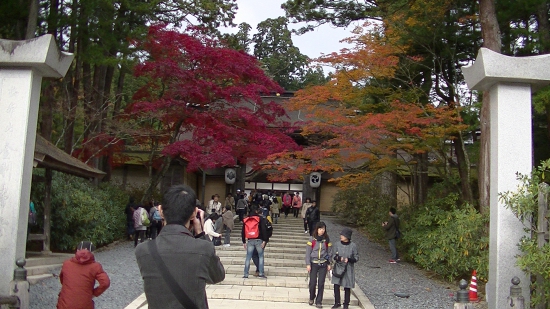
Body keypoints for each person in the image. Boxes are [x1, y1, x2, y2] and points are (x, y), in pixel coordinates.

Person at [135, 184, 225, 309]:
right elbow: (217, 276)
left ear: (160, 210)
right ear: (194, 213)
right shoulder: (203, 249)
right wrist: (200, 234)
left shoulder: (143, 250)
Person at [57, 241, 110, 309]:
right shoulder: (95, 266)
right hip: (85, 304)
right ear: (92, 253)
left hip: (65, 304)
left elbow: (63, 279)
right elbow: (105, 283)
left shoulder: (67, 264)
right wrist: (94, 293)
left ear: (77, 250)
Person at [306, 222, 332, 308]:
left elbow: (329, 252)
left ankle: (319, 301)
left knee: (321, 283)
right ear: (317, 229)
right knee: (312, 283)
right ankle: (311, 296)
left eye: (323, 229)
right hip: (314, 263)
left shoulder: (327, 239)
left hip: (323, 263)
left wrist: (329, 263)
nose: (322, 231)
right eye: (320, 229)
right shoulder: (312, 239)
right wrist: (308, 263)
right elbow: (308, 253)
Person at [331, 228, 359, 309]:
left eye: (343, 235)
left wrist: (349, 259)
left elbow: (356, 257)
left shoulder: (353, 245)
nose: (341, 236)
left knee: (347, 286)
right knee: (336, 285)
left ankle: (346, 304)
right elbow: (333, 256)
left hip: (348, 268)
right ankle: (337, 302)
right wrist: (339, 258)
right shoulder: (337, 244)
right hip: (338, 267)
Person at [242, 204, 269, 279]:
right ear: (256, 211)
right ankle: (261, 273)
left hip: (250, 240)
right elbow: (263, 230)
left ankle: (245, 274)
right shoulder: (260, 219)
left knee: (248, 257)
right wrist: (265, 240)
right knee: (260, 256)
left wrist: (244, 241)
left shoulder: (247, 219)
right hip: (259, 240)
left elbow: (243, 231)